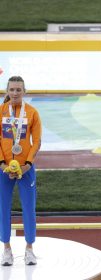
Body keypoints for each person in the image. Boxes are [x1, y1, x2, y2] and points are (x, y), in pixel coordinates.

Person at [0, 76, 42, 266]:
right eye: (12, 89)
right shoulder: (1, 112)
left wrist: (27, 164)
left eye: (19, 90)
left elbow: (36, 142)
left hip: (26, 169)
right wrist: (2, 165)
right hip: (3, 168)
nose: (15, 93)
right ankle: (6, 249)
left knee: (29, 208)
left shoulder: (32, 113)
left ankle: (30, 249)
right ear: (7, 91)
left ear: (24, 92)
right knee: (3, 208)